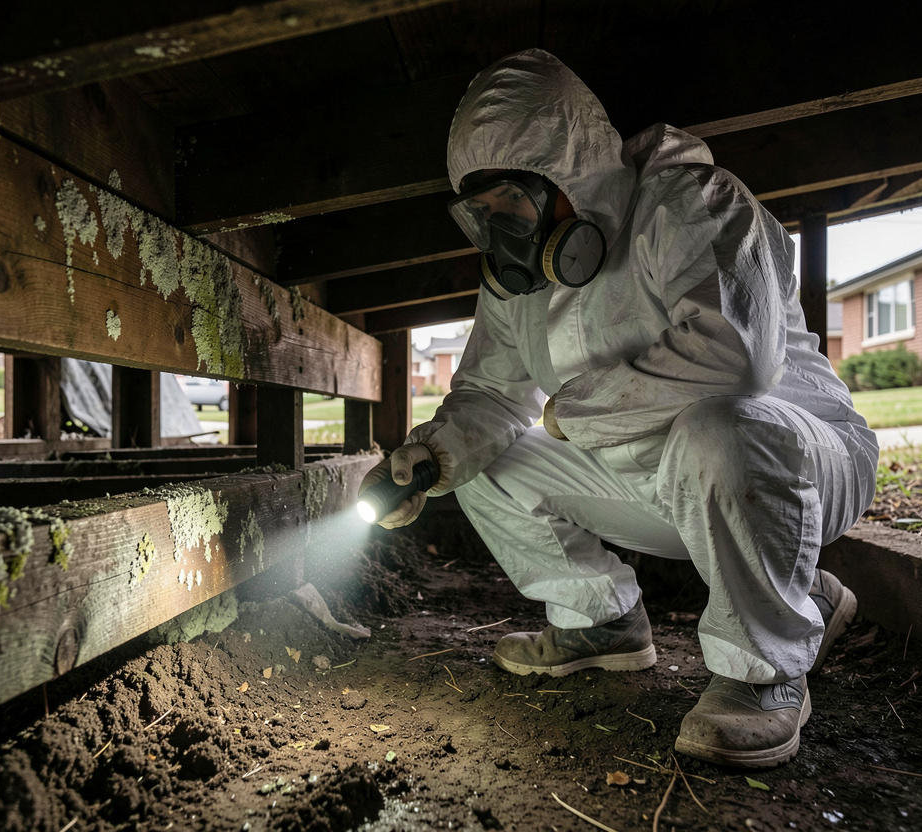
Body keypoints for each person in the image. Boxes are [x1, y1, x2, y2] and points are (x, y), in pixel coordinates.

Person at [357, 49, 879, 769]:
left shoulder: (694, 203)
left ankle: (767, 674)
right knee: (482, 462)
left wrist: (578, 413)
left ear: (569, 171)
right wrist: (426, 458)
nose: (504, 232)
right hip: (663, 482)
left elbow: (736, 359)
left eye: (514, 202)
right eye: (483, 215)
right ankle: (599, 622)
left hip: (801, 462)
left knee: (719, 427)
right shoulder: (518, 283)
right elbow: (489, 394)